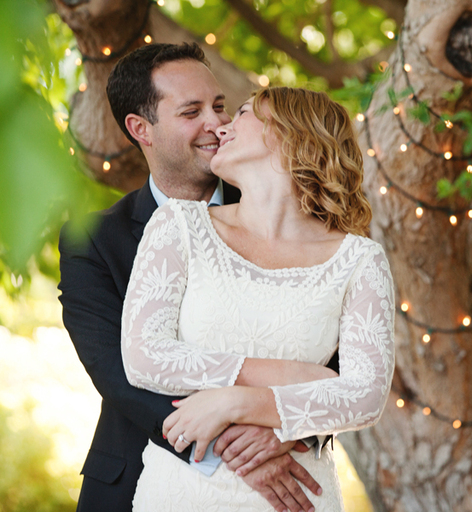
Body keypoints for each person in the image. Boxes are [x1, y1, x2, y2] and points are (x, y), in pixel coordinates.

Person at [59, 43, 327, 512]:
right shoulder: (94, 241)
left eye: (220, 106)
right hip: (135, 478)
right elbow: (120, 375)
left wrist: (289, 425)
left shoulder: (292, 216)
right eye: (191, 111)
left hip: (288, 478)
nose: (217, 124)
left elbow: (339, 355)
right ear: (141, 129)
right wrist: (236, 451)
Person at [120, 87, 395, 511]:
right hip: (180, 494)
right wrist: (289, 375)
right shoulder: (179, 225)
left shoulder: (359, 259)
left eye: (244, 113)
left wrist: (240, 402)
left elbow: (366, 395)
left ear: (291, 134)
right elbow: (144, 356)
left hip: (298, 496)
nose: (223, 126)